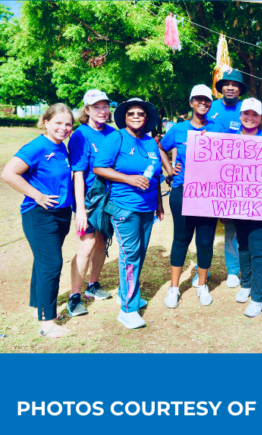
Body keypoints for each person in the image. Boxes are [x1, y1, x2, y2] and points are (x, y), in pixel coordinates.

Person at [2, 104, 75, 338]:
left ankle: (38, 307)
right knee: (52, 265)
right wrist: (38, 195)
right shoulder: (36, 147)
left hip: (61, 214)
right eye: (58, 123)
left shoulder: (61, 146)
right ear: (46, 122)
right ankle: (47, 323)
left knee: (44, 262)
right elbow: (8, 173)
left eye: (67, 124)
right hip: (39, 215)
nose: (63, 128)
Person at [92, 99, 165, 329]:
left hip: (147, 208)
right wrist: (128, 178)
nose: (135, 116)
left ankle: (129, 296)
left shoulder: (150, 142)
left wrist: (159, 204)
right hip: (124, 207)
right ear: (124, 117)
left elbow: (155, 175)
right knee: (130, 256)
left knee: (139, 254)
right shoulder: (117, 138)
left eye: (140, 114)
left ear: (146, 118)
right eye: (131, 113)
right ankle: (127, 310)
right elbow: (99, 167)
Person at [158, 85, 226, 308]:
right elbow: (160, 147)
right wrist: (169, 168)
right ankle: (174, 288)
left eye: (206, 100)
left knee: (205, 242)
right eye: (198, 99)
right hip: (182, 190)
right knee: (181, 239)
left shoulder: (219, 128)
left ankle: (202, 285)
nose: (203, 103)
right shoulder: (179, 129)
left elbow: (238, 150)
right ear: (191, 103)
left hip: (209, 194)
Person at [225, 98, 262, 317]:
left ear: (260, 117)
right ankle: (246, 284)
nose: (249, 117)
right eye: (245, 113)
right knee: (244, 246)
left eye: (254, 114)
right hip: (238, 205)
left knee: (260, 249)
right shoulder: (227, 140)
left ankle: (258, 298)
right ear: (240, 115)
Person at [67, 90, 116, 316]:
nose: (102, 111)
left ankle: (93, 285)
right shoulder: (81, 135)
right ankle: (74, 297)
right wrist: (80, 210)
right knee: (86, 246)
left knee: (101, 242)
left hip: (107, 198)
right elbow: (78, 174)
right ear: (86, 110)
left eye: (105, 106)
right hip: (87, 200)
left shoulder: (112, 132)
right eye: (96, 107)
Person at [207, 69, 247, 287]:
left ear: (240, 89)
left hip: (236, 179)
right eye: (226, 83)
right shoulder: (209, 107)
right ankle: (202, 270)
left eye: (235, 84)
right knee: (206, 227)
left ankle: (233, 270)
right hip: (208, 178)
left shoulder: (247, 110)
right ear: (220, 87)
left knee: (231, 226)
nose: (230, 87)